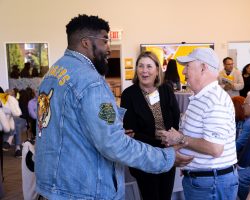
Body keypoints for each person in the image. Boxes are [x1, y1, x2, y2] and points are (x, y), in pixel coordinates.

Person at [35, 14, 193, 200]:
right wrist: (166, 158)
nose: (108, 48)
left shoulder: (52, 74)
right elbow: (114, 144)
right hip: (84, 190)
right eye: (104, 41)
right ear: (86, 42)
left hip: (54, 186)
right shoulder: (91, 83)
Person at [159, 48, 238, 200]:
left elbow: (215, 148)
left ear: (203, 68)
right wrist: (189, 163)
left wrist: (180, 139)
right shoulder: (200, 97)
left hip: (211, 184)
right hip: (203, 181)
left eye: (187, 66)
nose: (183, 72)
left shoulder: (215, 100)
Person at [121, 51, 180, 200]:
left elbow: (175, 116)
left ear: (157, 70)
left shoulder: (166, 89)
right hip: (144, 155)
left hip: (167, 154)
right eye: (140, 66)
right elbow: (131, 130)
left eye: (149, 66)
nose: (144, 70)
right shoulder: (129, 94)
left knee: (165, 196)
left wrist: (170, 139)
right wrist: (161, 138)